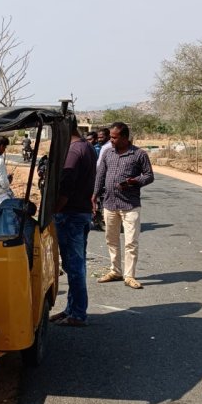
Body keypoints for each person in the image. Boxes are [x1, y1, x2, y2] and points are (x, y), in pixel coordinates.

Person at [92, 121, 154, 289]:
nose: (111, 140)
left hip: (130, 205)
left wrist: (134, 181)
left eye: (114, 137)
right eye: (110, 137)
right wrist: (95, 194)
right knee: (111, 239)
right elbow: (100, 175)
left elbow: (149, 175)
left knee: (131, 242)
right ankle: (115, 271)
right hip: (109, 203)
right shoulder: (107, 153)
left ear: (125, 138)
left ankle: (129, 276)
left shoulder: (139, 154)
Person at [51, 127, 97, 327]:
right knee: (75, 265)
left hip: (70, 215)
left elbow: (66, 187)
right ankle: (72, 309)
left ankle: (77, 313)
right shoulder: (86, 147)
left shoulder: (73, 151)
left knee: (74, 266)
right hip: (80, 213)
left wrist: (53, 212)